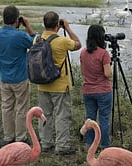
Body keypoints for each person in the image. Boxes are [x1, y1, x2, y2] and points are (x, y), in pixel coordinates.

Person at [37, 11, 81, 155]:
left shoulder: (37, 39)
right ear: (57, 25)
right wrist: (67, 28)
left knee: (45, 114)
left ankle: (45, 143)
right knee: (62, 115)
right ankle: (62, 146)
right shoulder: (62, 41)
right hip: (60, 85)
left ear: (44, 24)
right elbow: (78, 44)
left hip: (42, 83)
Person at [0, 5, 35, 147]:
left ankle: (8, 136)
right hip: (20, 78)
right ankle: (20, 137)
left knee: (6, 107)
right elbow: (34, 44)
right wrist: (27, 26)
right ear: (17, 20)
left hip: (5, 78)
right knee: (21, 108)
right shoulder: (20, 35)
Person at [80, 24, 112, 149]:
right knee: (104, 119)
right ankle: (104, 145)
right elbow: (107, 74)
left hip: (88, 90)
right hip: (103, 90)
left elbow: (83, 72)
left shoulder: (83, 52)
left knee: (90, 118)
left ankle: (89, 144)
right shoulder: (104, 53)